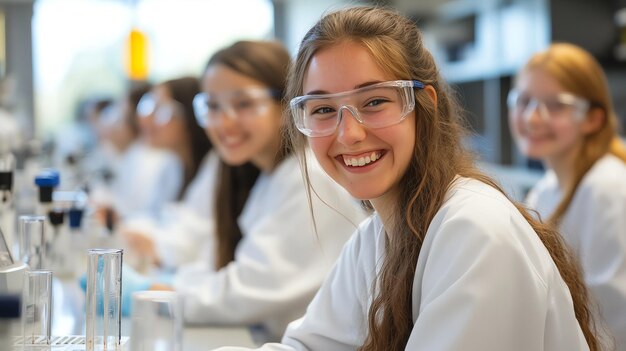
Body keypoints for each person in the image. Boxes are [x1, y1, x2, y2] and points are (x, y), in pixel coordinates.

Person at [213, 7, 602, 351]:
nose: (348, 134)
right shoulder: (376, 237)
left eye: (375, 101)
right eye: (323, 109)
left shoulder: (474, 231)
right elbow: (310, 345)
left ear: (425, 105)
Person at [125, 40, 367, 340]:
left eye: (244, 104)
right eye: (212, 106)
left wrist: (157, 292)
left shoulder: (310, 178)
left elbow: (251, 287)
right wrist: (166, 285)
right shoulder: (269, 176)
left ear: (285, 105)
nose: (224, 122)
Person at [510, 43, 626, 350]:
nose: (533, 118)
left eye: (556, 105)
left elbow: (612, 320)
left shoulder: (608, 188)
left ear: (593, 119)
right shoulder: (545, 189)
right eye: (523, 101)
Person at [92, 82, 184, 220]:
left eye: (120, 119)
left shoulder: (163, 162)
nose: (145, 119)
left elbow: (153, 217)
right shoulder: (137, 156)